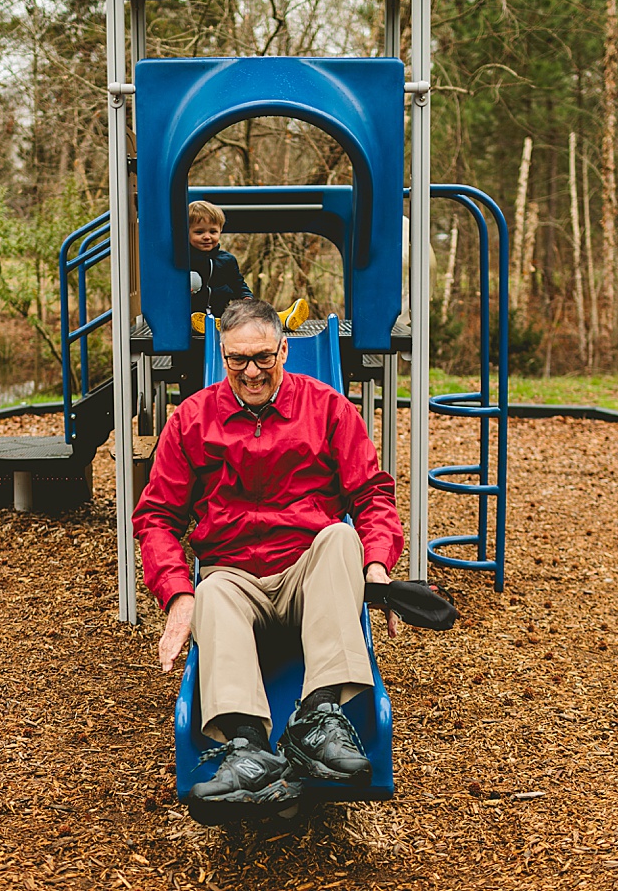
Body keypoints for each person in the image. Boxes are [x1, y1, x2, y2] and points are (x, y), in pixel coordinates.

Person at [134, 298, 402, 815]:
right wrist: (176, 595)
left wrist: (376, 567)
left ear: (284, 349)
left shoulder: (326, 407)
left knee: (341, 539)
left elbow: (371, 494)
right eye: (237, 359)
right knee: (209, 589)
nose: (252, 371)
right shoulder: (193, 419)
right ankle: (248, 749)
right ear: (222, 353)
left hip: (308, 573)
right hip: (233, 577)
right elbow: (157, 517)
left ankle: (318, 719)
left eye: (263, 357)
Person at [187, 200, 308, 334]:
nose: (207, 237)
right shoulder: (183, 259)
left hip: (220, 314)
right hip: (190, 315)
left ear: (220, 231)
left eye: (213, 232)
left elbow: (237, 283)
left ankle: (283, 319)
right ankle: (202, 324)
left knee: (247, 313)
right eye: (199, 232)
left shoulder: (227, 260)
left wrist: (246, 297)